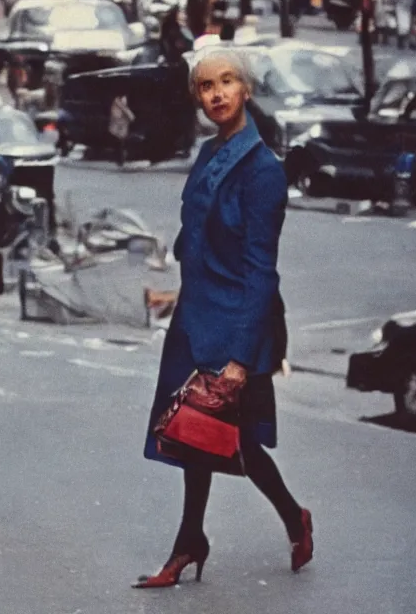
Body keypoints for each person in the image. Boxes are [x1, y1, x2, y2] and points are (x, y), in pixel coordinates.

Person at [134, 47, 312, 590]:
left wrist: (240, 357)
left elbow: (262, 272)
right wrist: (177, 293)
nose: (216, 94)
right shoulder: (210, 152)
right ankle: (191, 539)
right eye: (206, 85)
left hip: (237, 324)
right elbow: (196, 234)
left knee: (235, 440)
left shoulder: (263, 173)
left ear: (246, 88)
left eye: (227, 81)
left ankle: (291, 516)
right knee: (192, 432)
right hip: (195, 316)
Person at [109, 92, 135, 167]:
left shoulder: (118, 101)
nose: (124, 101)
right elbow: (124, 109)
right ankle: (119, 159)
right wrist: (131, 116)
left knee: (120, 143)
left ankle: (120, 159)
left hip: (121, 124)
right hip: (118, 124)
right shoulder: (118, 101)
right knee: (119, 143)